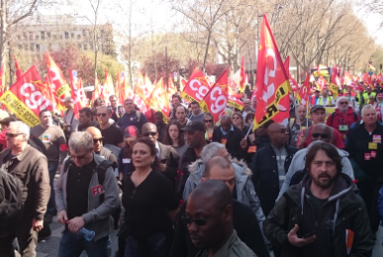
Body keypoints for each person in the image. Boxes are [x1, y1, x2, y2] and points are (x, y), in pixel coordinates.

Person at [263, 142, 373, 257]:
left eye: (329, 163)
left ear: (338, 167)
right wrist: (287, 239)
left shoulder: (353, 202)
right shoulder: (293, 196)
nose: (323, 169)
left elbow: (364, 246)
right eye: (318, 163)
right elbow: (269, 226)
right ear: (308, 167)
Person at [171, 156, 269, 257]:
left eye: (231, 182)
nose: (227, 187)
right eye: (220, 182)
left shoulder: (244, 213)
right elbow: (178, 250)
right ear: (204, 181)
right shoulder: (188, 208)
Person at [55, 131, 120, 257]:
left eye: (80, 157)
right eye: (72, 155)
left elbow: (113, 201)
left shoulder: (104, 168)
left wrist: (85, 218)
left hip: (96, 233)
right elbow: (58, 189)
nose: (76, 160)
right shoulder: (68, 163)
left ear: (91, 150)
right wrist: (61, 209)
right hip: (70, 230)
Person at [183, 143, 266, 235]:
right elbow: (189, 214)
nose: (228, 160)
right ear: (210, 162)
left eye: (231, 181)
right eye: (224, 158)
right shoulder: (194, 180)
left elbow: (256, 208)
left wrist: (265, 238)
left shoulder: (242, 175)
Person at [119, 137, 179, 256]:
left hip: (156, 240)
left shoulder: (160, 181)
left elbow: (174, 211)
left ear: (152, 157)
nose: (138, 155)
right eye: (135, 152)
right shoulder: (127, 179)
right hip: (132, 239)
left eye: (143, 152)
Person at [0, 121, 50, 256]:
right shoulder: (4, 154)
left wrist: (39, 215)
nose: (7, 137)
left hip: (25, 215)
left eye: (11, 135)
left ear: (23, 136)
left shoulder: (36, 158)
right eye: (6, 134)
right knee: (3, 248)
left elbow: (43, 188)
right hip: (6, 214)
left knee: (27, 251)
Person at [278, 124, 355, 199]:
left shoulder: (341, 158)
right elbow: (287, 182)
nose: (319, 138)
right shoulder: (299, 156)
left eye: (324, 136)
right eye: (315, 135)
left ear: (330, 138)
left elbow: (350, 185)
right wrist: (279, 202)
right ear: (310, 137)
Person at [185, 180, 256, 257]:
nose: (192, 228)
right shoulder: (207, 248)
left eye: (200, 220)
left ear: (226, 214)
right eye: (188, 219)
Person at [345, 104, 383, 233]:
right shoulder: (355, 131)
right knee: (362, 204)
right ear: (362, 117)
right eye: (367, 115)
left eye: (373, 114)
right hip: (361, 177)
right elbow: (348, 152)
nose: (371, 117)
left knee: (376, 206)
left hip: (379, 177)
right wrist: (357, 172)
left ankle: (372, 231)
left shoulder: (382, 130)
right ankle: (362, 230)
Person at [251, 123, 298, 216]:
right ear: (271, 135)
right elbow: (254, 180)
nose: (286, 133)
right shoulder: (260, 155)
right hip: (268, 205)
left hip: (292, 203)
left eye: (286, 130)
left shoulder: (295, 153)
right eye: (282, 131)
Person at [31, 109, 67, 223]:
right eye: (44, 116)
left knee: (48, 184)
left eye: (49, 116)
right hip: (36, 162)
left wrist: (61, 162)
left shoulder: (57, 130)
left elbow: (63, 148)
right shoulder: (33, 130)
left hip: (51, 162)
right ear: (40, 118)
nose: (47, 118)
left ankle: (51, 210)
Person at [177, 121, 208, 202]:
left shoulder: (216, 154)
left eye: (191, 133)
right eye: (185, 134)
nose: (187, 137)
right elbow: (181, 183)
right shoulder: (184, 158)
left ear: (201, 134)